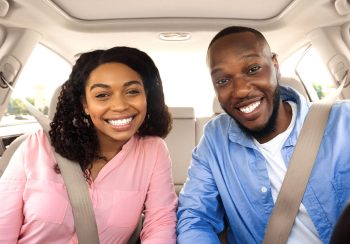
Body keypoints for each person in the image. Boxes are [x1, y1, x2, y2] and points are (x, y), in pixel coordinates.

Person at [176, 26, 350, 243]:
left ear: (275, 66)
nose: (240, 90)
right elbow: (195, 217)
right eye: (223, 81)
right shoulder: (214, 140)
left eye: (253, 69)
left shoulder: (344, 121)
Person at [0, 46, 177, 243]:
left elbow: (160, 223)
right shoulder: (36, 146)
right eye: (102, 95)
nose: (120, 106)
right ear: (85, 104)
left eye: (132, 91)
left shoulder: (153, 151)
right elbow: (3, 226)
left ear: (147, 97)